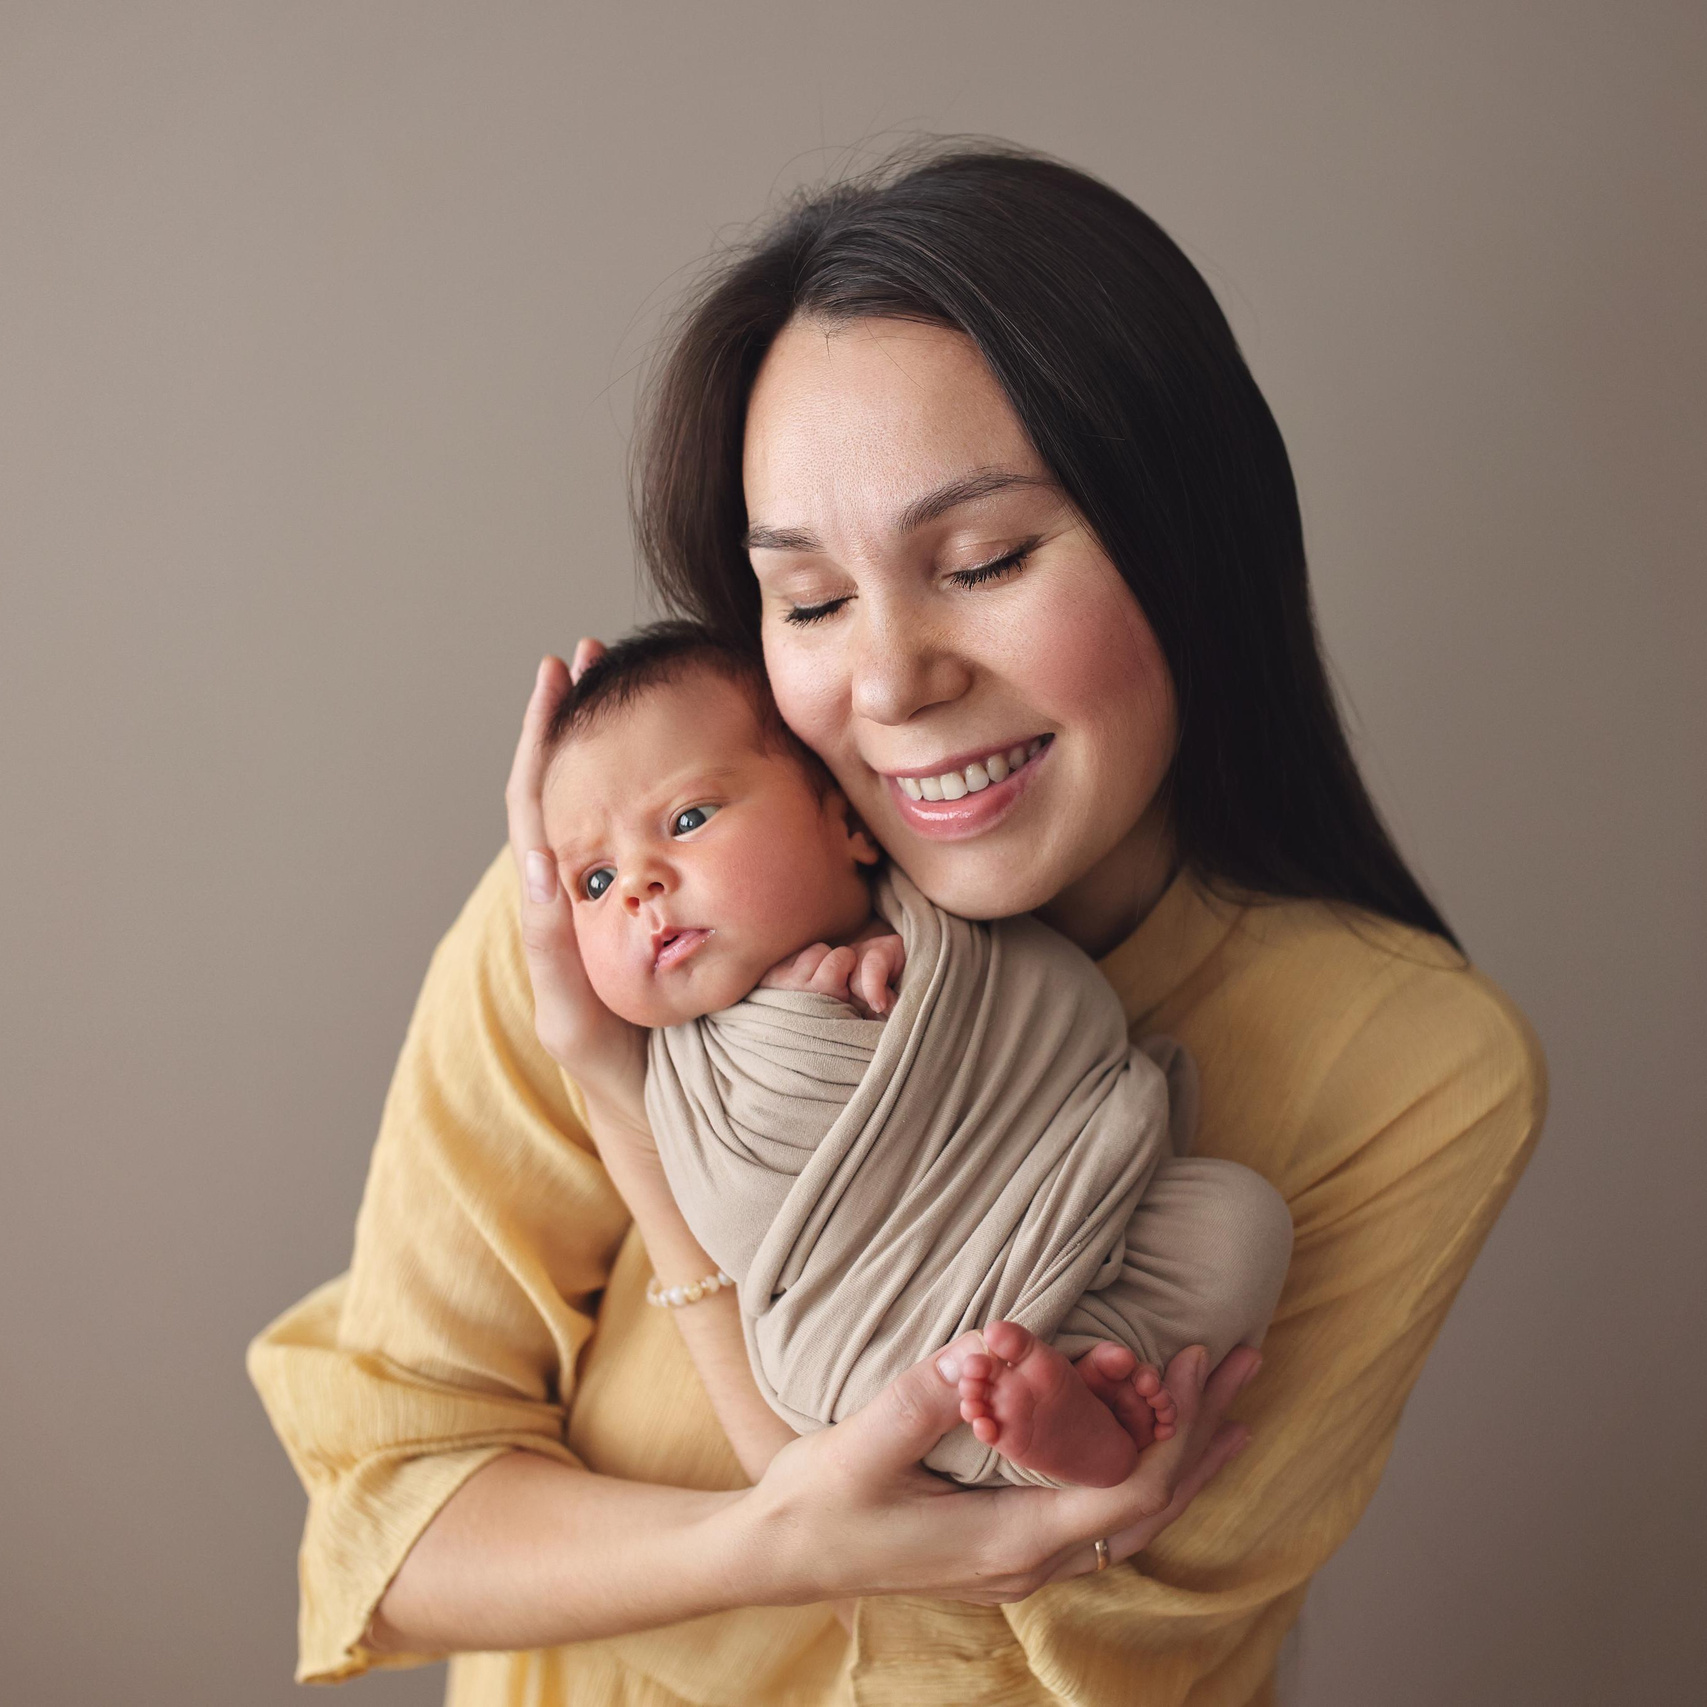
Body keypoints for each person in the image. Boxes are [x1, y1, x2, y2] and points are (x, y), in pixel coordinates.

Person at [248, 144, 1545, 1706]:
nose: (888, 680)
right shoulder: (619, 944)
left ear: (1186, 545)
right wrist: (612, 1089)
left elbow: (1062, 1657)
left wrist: (857, 1516)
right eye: (806, 600)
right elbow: (393, 1518)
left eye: (983, 560)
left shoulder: (1407, 1062)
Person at [537, 621, 1294, 1490]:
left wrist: (902, 968)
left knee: (1240, 1221)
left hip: (1088, 1204)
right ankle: (1048, 1427)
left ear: (846, 824)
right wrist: (806, 1024)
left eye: (688, 818)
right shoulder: (675, 1067)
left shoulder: (940, 919)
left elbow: (1051, 1016)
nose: (637, 884)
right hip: (892, 1327)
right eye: (592, 882)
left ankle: (1079, 1390)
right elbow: (744, 1212)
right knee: (931, 1393)